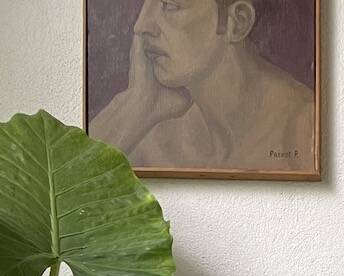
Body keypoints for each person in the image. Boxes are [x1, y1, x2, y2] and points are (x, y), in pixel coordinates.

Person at [90, 0, 314, 172]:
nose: (141, 25)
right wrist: (135, 106)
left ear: (237, 23)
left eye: (170, 5)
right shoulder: (150, 132)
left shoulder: (306, 130)